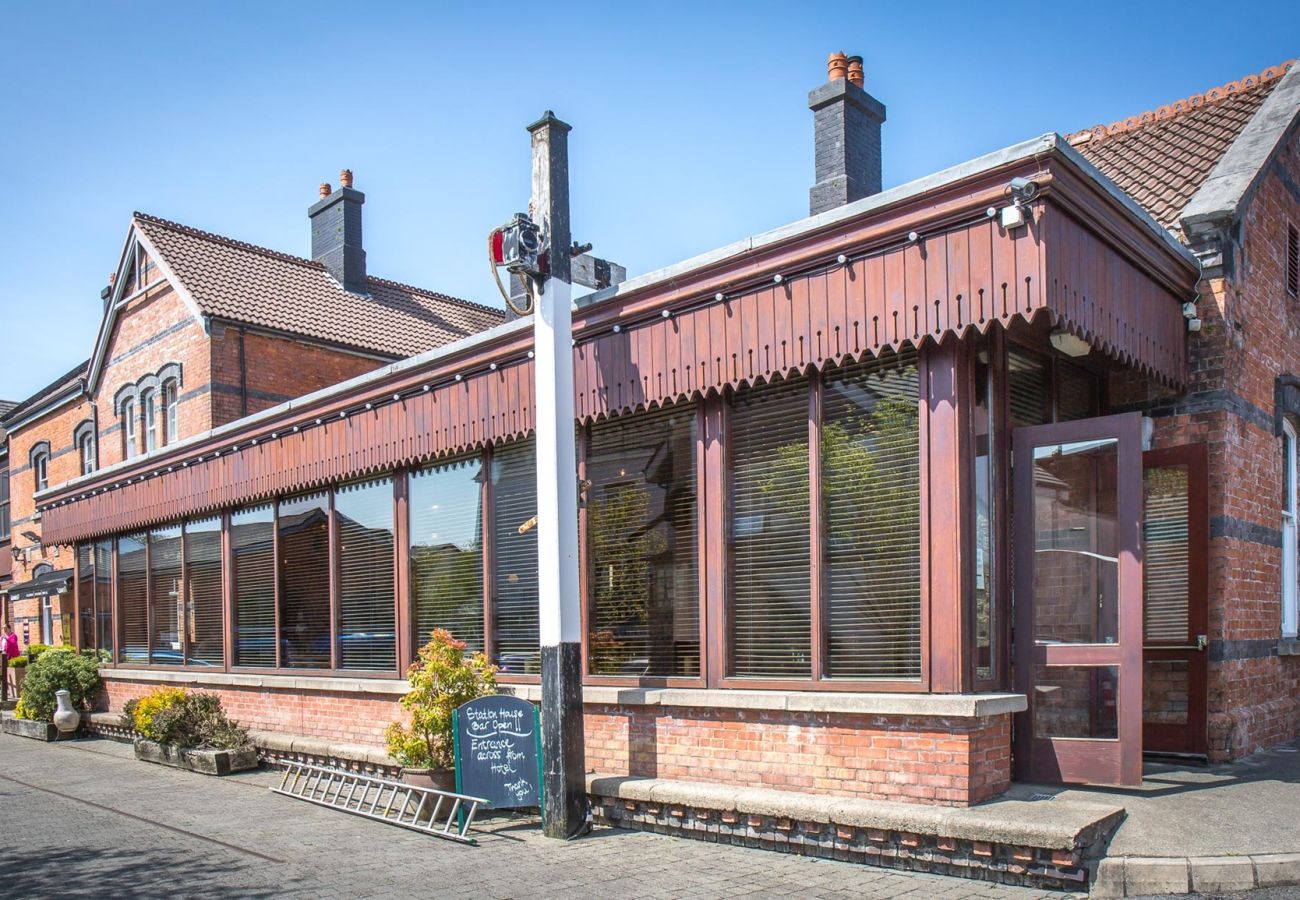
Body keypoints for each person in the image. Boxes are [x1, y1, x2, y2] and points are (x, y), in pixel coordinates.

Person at [2, 621, 18, 701]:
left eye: (5, 628)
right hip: (5, 657)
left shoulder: (13, 636)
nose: (4, 630)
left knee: (9, 672)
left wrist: (7, 640)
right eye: (3, 629)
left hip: (12, 657)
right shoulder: (4, 637)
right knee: (5, 673)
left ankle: (9, 690)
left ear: (9, 628)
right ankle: (6, 689)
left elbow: (13, 644)